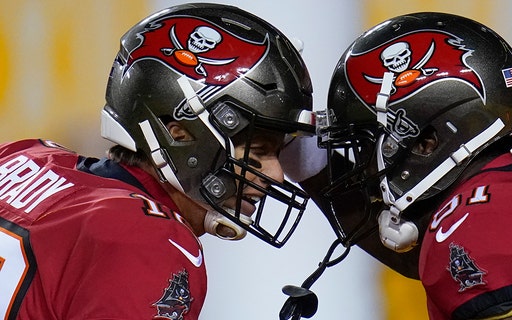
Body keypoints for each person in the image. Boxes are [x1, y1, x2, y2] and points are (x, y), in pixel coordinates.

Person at [280, 12, 512, 319]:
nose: (367, 170)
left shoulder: (481, 226)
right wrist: (307, 160)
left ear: (427, 141)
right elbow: (449, 264)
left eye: (372, 143)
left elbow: (475, 251)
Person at [0, 2, 314, 319]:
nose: (276, 175)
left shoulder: (20, 156)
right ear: (180, 135)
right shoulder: (148, 239)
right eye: (259, 151)